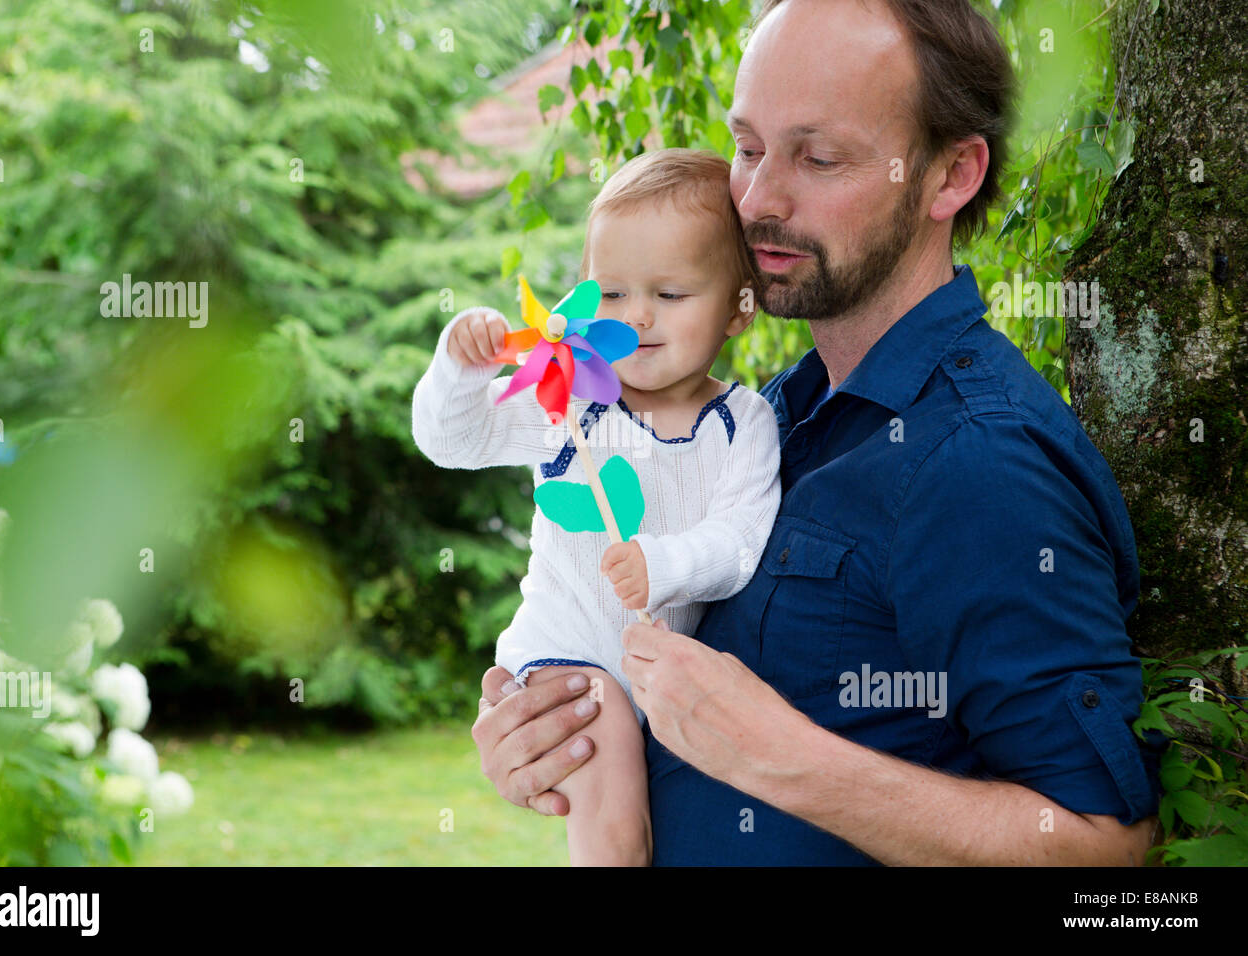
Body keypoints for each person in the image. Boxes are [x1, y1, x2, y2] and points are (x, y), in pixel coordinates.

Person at [472, 0, 1162, 865]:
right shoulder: (776, 410)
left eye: (819, 156)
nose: (757, 198)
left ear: (950, 175)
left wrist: (782, 759)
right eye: (748, 147)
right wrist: (561, 736)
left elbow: (1107, 852)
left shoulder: (979, 461)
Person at [412, 149, 782, 864]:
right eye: (611, 294)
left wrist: (663, 563)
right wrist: (457, 369)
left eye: (671, 295)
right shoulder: (571, 402)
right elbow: (452, 440)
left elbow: (740, 541)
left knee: (665, 824)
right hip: (567, 657)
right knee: (611, 805)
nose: (637, 316)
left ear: (740, 307)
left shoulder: (745, 421)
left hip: (662, 665)